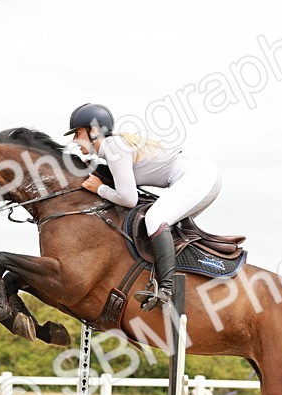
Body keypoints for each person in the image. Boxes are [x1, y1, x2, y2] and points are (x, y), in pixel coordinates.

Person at [65, 103, 222, 311]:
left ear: (93, 131)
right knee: (163, 228)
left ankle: (166, 290)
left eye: (77, 133)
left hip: (198, 176)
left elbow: (129, 199)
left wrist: (100, 189)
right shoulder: (113, 147)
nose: (74, 140)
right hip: (200, 175)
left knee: (155, 219)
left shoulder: (113, 146)